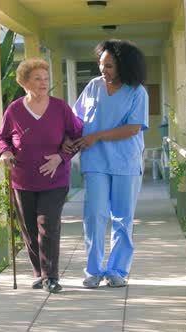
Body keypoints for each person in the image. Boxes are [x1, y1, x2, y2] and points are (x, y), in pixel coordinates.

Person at [0, 58, 83, 293]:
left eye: (46, 78)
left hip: (55, 178)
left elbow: (78, 135)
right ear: (24, 82)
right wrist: (5, 152)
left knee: (48, 225)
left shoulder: (60, 108)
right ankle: (39, 272)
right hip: (22, 179)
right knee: (29, 228)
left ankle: (51, 276)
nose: (43, 83)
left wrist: (61, 158)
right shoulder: (14, 109)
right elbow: (2, 137)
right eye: (38, 78)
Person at [68, 40, 148, 288]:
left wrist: (97, 135)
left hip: (125, 161)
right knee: (94, 215)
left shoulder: (137, 92)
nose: (104, 70)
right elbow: (76, 118)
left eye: (109, 66)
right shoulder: (93, 87)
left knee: (123, 218)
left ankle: (117, 270)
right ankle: (94, 270)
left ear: (123, 66)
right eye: (101, 65)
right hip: (95, 162)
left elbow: (133, 127)